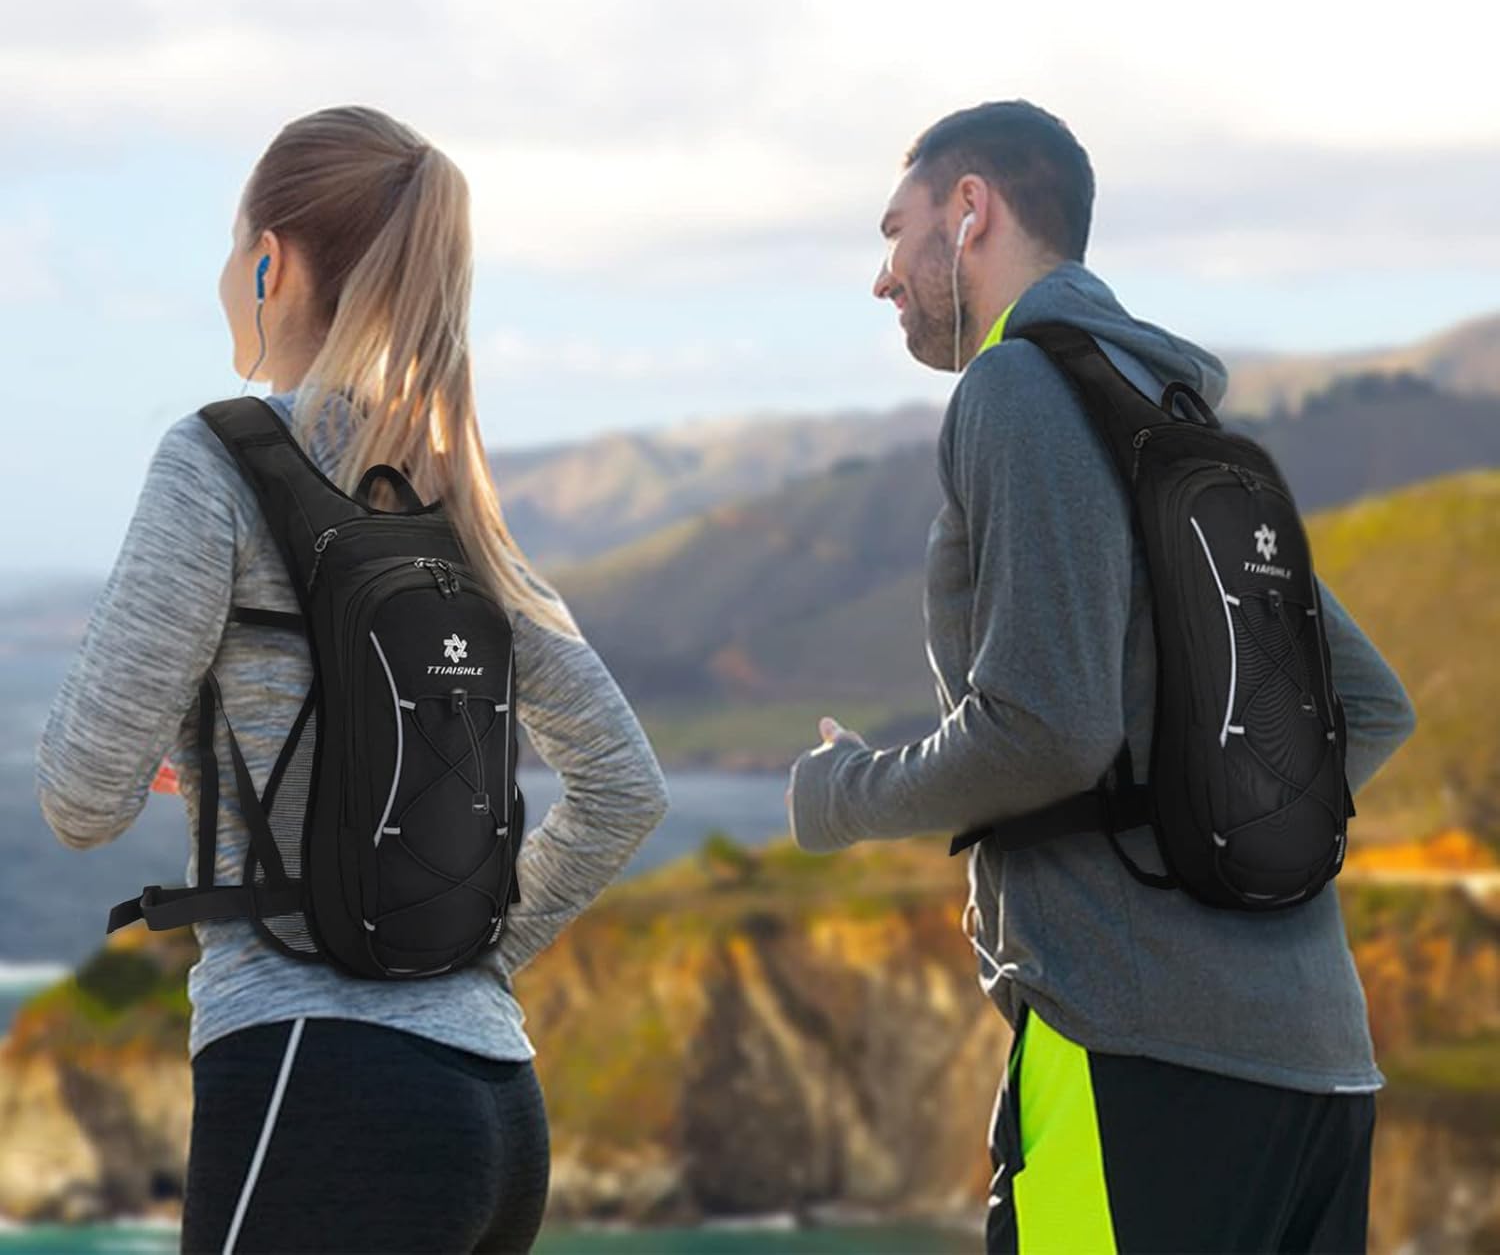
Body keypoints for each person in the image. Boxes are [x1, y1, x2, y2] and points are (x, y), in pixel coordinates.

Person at [35, 105, 671, 1254]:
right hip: (494, 1104)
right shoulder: (447, 489)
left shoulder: (215, 462)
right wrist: (460, 955)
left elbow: (82, 798)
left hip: (317, 1091)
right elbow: (624, 785)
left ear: (269, 261)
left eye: (232, 247)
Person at [786, 100, 1417, 1254]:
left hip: (1139, 1056)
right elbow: (1368, 706)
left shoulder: (1016, 388)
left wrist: (841, 794)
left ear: (970, 211)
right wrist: (1216, 836)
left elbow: (1044, 730)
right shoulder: (1167, 418)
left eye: (895, 232)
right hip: (1319, 1070)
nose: (883, 278)